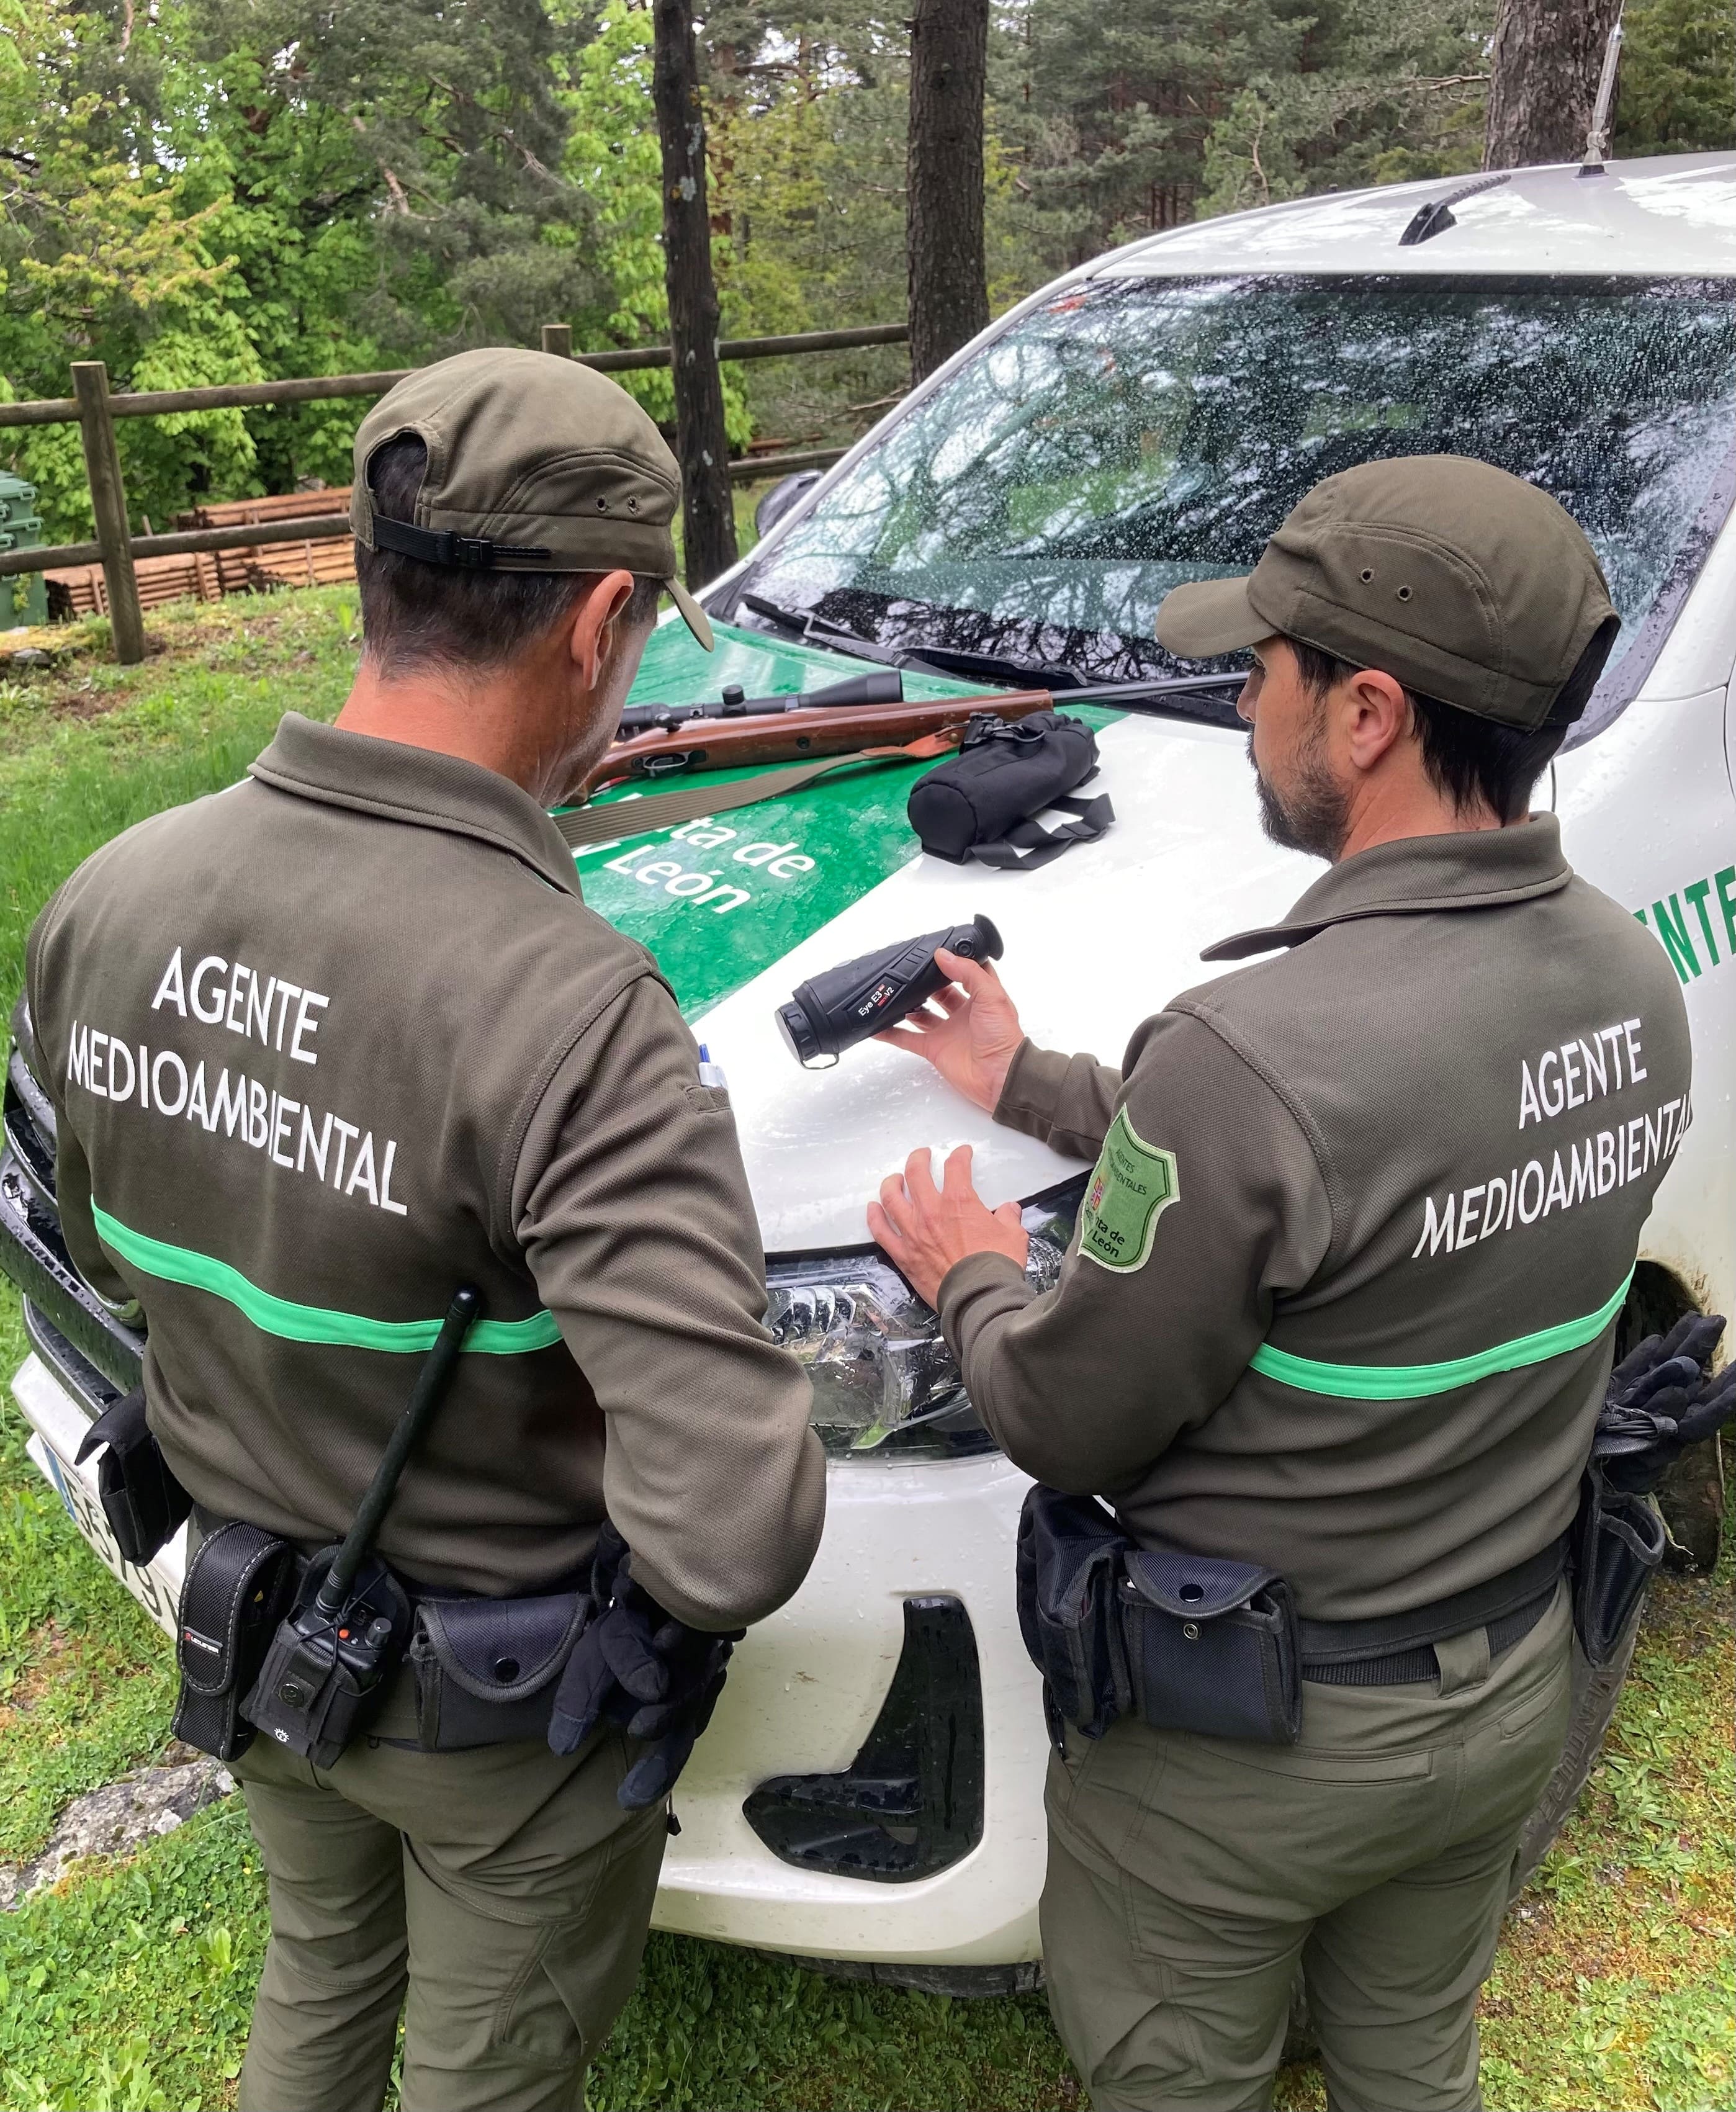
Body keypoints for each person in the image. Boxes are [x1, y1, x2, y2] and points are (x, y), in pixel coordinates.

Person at [27, 348, 825, 2112]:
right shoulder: (576, 1016)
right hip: (500, 1723)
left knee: (316, 1983)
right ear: (603, 620)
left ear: (378, 575)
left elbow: (107, 1245)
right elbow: (736, 1527)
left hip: (248, 1625)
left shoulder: (107, 897)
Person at [865, 456, 1694, 2112]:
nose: (1245, 704)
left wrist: (966, 1276)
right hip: (1512, 1682)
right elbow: (1359, 1161)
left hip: (1249, 1762)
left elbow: (1066, 1412)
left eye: (1267, 669)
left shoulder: (1260, 1055)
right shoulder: (1628, 977)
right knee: (1414, 2065)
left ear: (1369, 713)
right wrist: (1035, 1078)